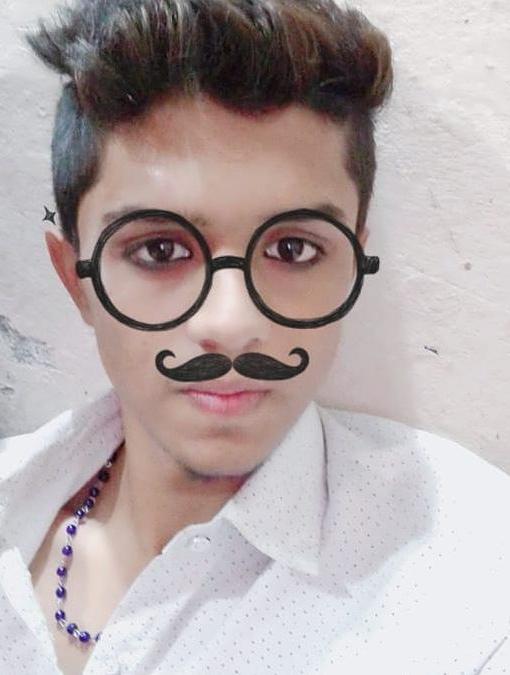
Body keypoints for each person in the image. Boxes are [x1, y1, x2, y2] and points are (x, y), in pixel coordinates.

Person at [1, 1, 509, 673]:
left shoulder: (475, 586)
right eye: (159, 250)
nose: (232, 324)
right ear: (77, 280)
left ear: (353, 260)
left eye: (294, 248)